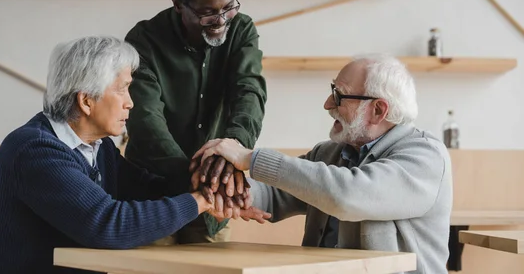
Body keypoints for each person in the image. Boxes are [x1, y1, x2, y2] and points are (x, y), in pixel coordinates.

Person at [0, 36, 269, 274]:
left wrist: (219, 190)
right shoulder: (34, 151)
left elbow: (147, 189)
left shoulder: (98, 146)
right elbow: (109, 224)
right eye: (122, 90)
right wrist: (202, 201)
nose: (131, 103)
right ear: (86, 100)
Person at [193, 54, 453, 274]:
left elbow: (347, 196)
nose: (328, 104)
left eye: (340, 96)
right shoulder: (329, 153)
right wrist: (225, 188)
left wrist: (251, 158)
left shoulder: (425, 157)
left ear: (378, 110)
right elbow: (274, 194)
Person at [124, 0, 268, 243]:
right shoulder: (143, 41)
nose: (221, 20)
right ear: (178, 4)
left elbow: (249, 92)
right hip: (152, 195)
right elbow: (145, 121)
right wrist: (199, 179)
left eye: (229, 7)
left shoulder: (242, 29)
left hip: (214, 198)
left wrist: (233, 153)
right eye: (207, 13)